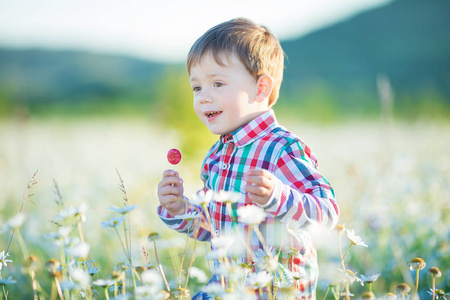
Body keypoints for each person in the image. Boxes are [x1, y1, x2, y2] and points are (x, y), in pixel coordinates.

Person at [157, 18, 339, 299]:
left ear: (261, 88)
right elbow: (210, 228)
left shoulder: (281, 148)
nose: (204, 97)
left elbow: (326, 215)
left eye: (217, 83)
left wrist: (278, 196)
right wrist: (179, 208)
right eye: (197, 88)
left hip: (278, 290)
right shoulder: (217, 157)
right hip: (229, 287)